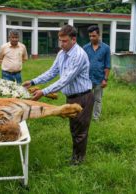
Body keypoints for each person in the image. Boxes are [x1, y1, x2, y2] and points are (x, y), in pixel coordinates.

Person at [23, 25, 94, 165]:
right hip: (71, 97)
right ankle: (76, 156)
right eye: (60, 41)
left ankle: (78, 161)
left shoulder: (79, 55)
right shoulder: (62, 54)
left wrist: (43, 92)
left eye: (64, 41)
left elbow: (65, 79)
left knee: (80, 130)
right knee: (74, 128)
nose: (61, 44)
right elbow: (52, 72)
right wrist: (33, 81)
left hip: (83, 97)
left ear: (74, 39)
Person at [83, 25, 111, 121]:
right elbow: (82, 64)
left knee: (97, 100)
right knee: (86, 99)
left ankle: (95, 118)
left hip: (99, 79)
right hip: (87, 79)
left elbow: (107, 65)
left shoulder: (106, 48)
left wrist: (105, 79)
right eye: (90, 36)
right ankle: (86, 116)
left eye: (94, 36)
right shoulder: (85, 48)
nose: (91, 38)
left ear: (99, 35)